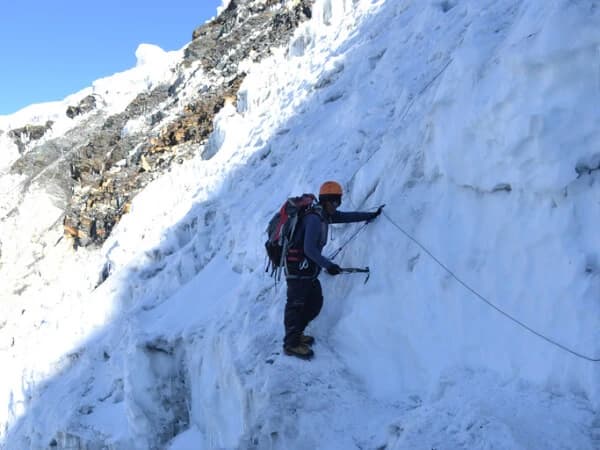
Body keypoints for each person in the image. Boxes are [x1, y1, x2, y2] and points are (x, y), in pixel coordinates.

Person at [283, 180, 383, 359]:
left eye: (339, 202)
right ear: (327, 201)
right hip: (297, 268)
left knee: (314, 303)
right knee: (295, 304)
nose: (337, 206)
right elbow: (309, 249)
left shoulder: (324, 215)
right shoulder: (314, 219)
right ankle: (291, 344)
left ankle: (296, 333)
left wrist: (370, 215)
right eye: (335, 202)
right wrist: (328, 265)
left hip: (307, 269)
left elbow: (346, 217)